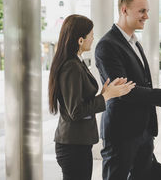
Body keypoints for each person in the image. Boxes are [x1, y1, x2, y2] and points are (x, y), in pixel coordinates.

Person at [95, 0, 161, 180]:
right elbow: (124, 91)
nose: (147, 16)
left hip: (143, 131)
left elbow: (142, 84)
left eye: (147, 11)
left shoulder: (134, 43)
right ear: (124, 10)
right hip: (121, 133)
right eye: (142, 11)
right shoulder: (107, 45)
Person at [48, 14, 135, 180]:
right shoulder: (71, 66)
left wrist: (104, 93)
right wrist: (106, 97)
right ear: (80, 40)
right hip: (72, 145)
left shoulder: (76, 62)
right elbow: (76, 111)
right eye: (91, 34)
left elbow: (79, 101)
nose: (93, 38)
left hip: (77, 143)